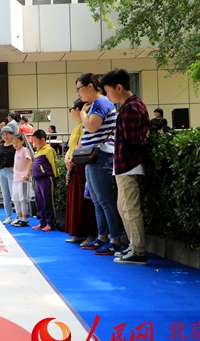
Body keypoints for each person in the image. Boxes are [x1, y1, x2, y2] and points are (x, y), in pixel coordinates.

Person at [101, 68, 150, 265]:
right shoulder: (132, 105)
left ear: (118, 87)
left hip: (128, 165)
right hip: (125, 166)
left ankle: (138, 251)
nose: (107, 95)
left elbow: (133, 140)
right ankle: (134, 247)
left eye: (108, 91)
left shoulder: (130, 107)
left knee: (130, 209)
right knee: (124, 208)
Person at [76, 73, 125, 254]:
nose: (78, 94)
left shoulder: (102, 103)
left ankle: (115, 239)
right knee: (98, 201)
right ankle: (102, 237)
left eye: (79, 89)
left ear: (90, 86)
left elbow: (91, 127)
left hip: (101, 156)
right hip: (93, 157)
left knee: (105, 200)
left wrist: (82, 113)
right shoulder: (94, 105)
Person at [64, 98, 98, 245]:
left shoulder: (85, 126)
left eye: (72, 108)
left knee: (84, 201)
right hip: (74, 166)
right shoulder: (77, 128)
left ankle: (89, 234)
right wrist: (67, 160)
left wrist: (71, 161)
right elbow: (71, 147)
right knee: (75, 201)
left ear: (77, 110)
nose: (71, 111)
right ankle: (78, 232)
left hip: (81, 165)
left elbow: (81, 146)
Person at [31, 129, 59, 231]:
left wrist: (55, 177)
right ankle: (42, 222)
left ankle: (50, 223)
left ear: (42, 140)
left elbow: (53, 164)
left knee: (48, 201)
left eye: (35, 141)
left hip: (47, 179)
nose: (34, 143)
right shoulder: (38, 152)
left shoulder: (48, 150)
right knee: (39, 202)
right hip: (38, 180)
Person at [11, 134, 33, 227]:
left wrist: (27, 173)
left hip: (23, 178)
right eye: (13, 143)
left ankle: (25, 219)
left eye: (17, 142)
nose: (15, 144)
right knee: (15, 199)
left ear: (22, 141)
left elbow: (29, 161)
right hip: (15, 178)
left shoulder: (24, 150)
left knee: (23, 199)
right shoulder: (16, 151)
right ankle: (19, 217)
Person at [0, 126, 16, 224]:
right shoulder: (0, 146)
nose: (5, 136)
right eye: (3, 134)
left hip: (11, 170)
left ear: (11, 134)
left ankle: (18, 216)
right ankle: (8, 216)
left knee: (14, 195)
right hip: (2, 171)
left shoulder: (14, 146)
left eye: (7, 134)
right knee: (5, 196)